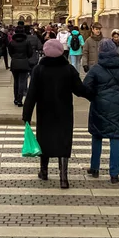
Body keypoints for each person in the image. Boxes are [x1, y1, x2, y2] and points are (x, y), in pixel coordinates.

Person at [23, 38, 89, 189]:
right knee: (63, 142)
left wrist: (26, 114)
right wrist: (93, 94)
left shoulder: (39, 70)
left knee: (44, 140)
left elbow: (31, 93)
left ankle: (44, 171)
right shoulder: (68, 69)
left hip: (45, 112)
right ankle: (63, 178)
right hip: (64, 112)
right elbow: (80, 90)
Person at [83, 39, 119, 183]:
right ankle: (114, 174)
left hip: (99, 105)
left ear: (101, 51)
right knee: (115, 139)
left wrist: (94, 98)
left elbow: (85, 88)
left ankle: (94, 168)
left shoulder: (95, 69)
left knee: (97, 136)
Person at [8, 26, 32, 107]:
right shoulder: (27, 42)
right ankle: (20, 100)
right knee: (22, 81)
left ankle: (15, 98)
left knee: (16, 81)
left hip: (15, 63)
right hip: (24, 62)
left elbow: (10, 52)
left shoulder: (12, 42)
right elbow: (30, 53)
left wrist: (15, 57)